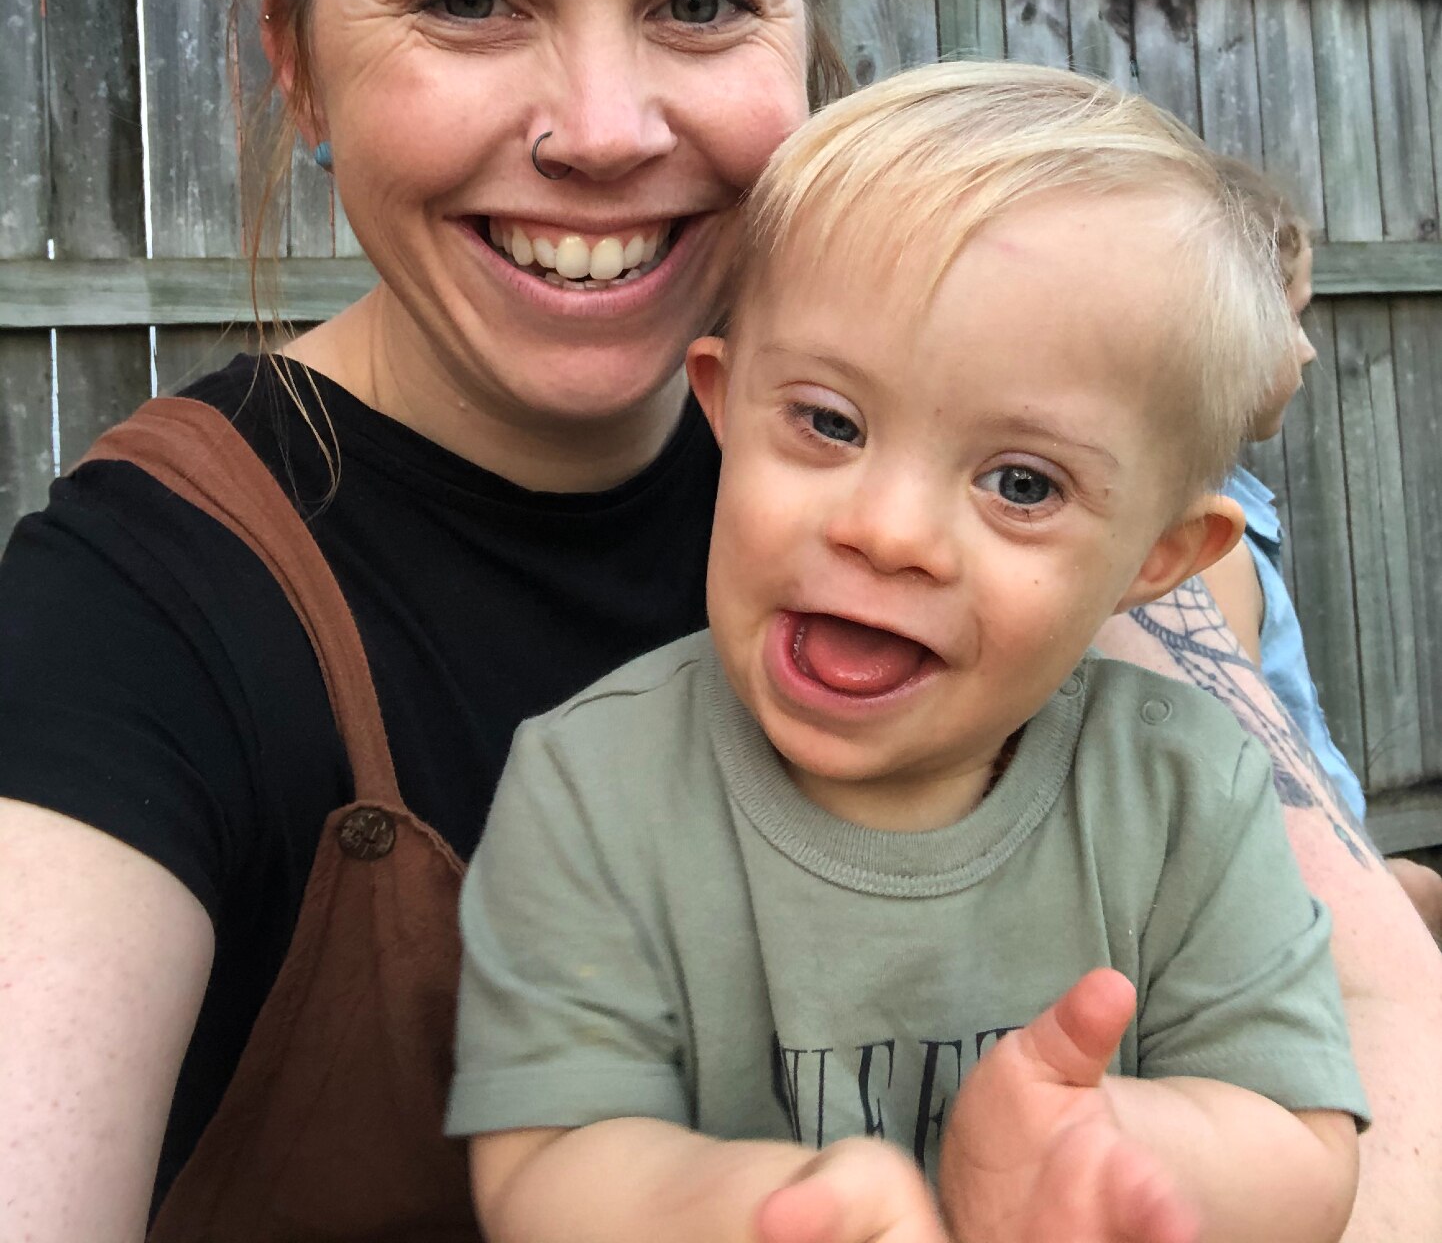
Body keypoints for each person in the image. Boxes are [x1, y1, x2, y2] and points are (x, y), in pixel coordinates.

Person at [0, 0, 1436, 1243]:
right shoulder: (138, 624)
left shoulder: (1009, 451)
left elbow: (1369, 1036)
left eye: (697, 3)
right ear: (292, 57)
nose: (602, 128)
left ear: (805, 36)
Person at [453, 62, 1365, 1243]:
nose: (884, 532)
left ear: (1159, 555)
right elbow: (545, 1168)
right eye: (828, 422)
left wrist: (1110, 1151)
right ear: (723, 404)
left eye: (1020, 484)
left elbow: (1299, 1143)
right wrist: (766, 1210)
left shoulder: (1188, 794)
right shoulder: (592, 786)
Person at [1203, 156, 1442, 942]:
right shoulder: (1204, 547)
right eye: (1292, 317)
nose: (1306, 351)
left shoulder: (1229, 506)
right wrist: (1370, 907)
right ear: (1222, 325)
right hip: (1298, 911)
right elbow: (1233, 775)